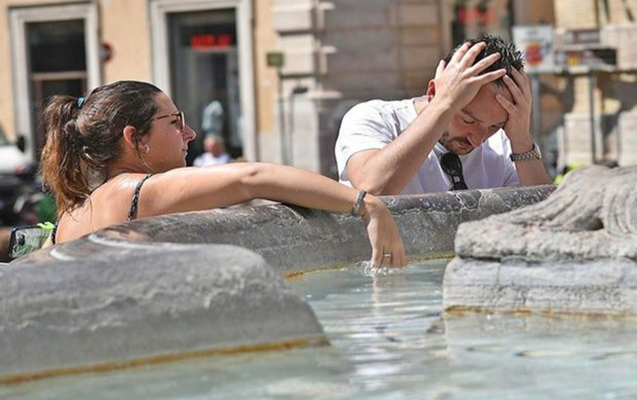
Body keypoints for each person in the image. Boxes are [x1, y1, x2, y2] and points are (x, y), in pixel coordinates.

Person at [39, 81, 405, 267]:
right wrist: (365, 205)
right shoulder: (134, 192)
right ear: (135, 138)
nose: (190, 133)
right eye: (174, 122)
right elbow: (253, 178)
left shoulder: (70, 216)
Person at [335, 35, 551, 195]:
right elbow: (373, 189)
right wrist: (442, 105)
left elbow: (546, 221)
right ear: (433, 92)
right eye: (469, 120)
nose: (478, 140)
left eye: (495, 126)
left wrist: (521, 138)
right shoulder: (374, 118)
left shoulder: (502, 144)